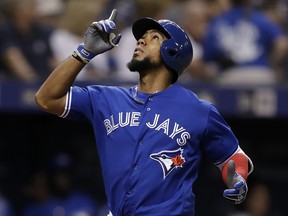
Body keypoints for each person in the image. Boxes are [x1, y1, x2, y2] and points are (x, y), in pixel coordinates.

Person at [35, 9, 254, 216]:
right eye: (142, 37)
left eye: (154, 38)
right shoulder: (106, 99)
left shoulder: (198, 110)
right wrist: (84, 52)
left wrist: (238, 179)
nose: (141, 40)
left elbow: (233, 158)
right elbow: (46, 99)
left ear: (173, 52)